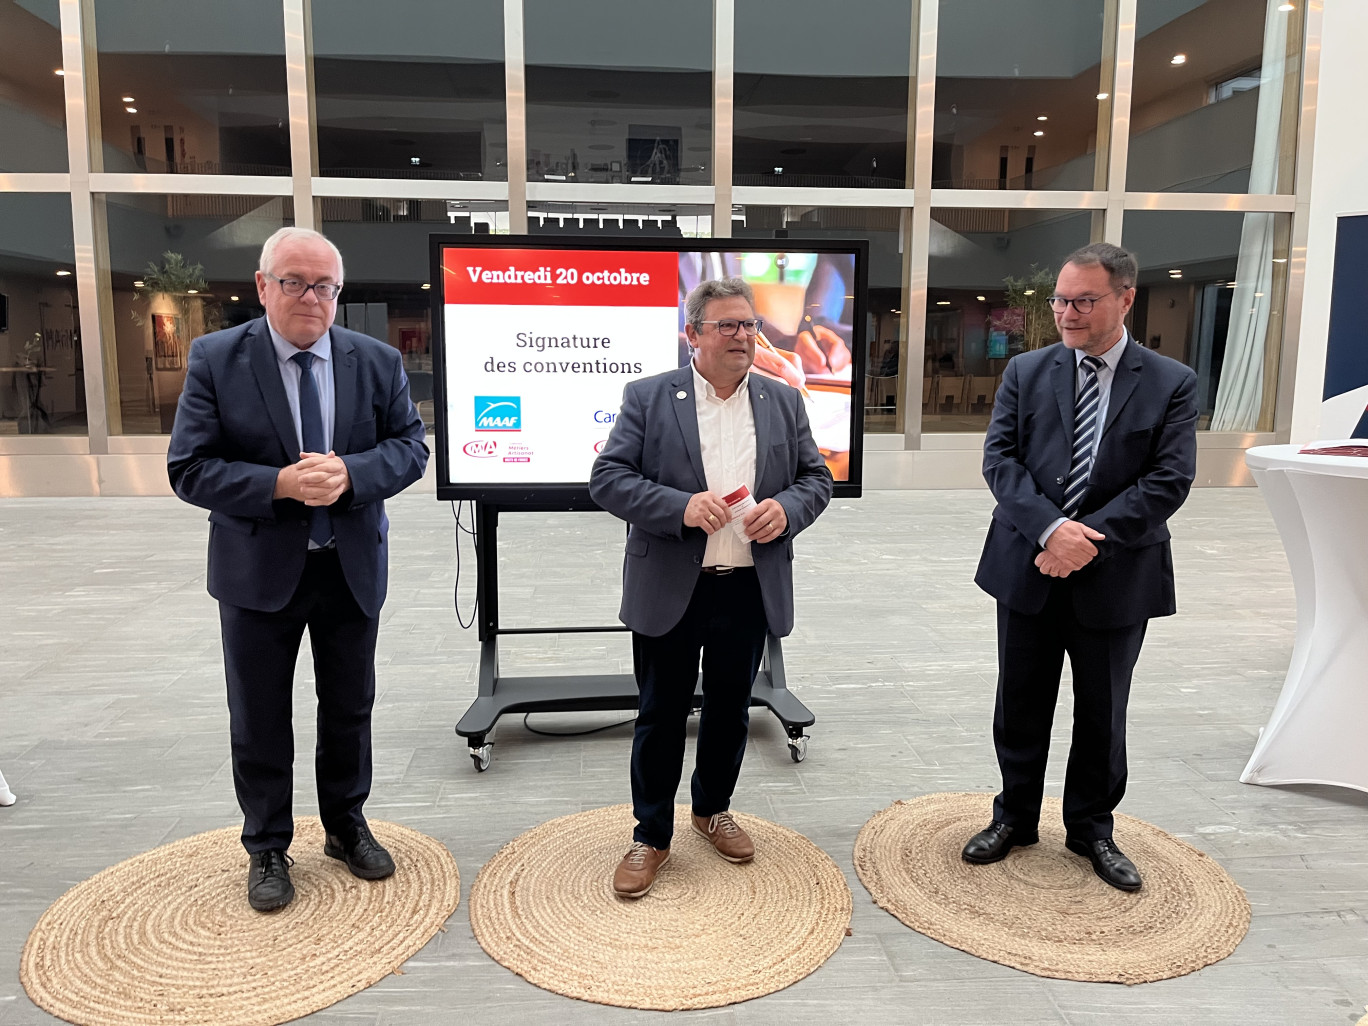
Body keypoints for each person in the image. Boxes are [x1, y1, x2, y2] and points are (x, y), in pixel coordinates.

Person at [168, 227, 428, 912]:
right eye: (293, 282)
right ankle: (267, 847)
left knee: (349, 707)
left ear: (339, 293)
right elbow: (188, 468)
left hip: (349, 567)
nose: (310, 297)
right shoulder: (217, 359)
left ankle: (345, 826)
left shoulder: (374, 361)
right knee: (258, 716)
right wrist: (279, 485)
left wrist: (351, 473)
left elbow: (409, 449)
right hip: (258, 574)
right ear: (262, 286)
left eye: (324, 286)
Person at [963, 242, 1198, 892]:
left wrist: (1083, 539)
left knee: (1102, 711)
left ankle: (1092, 827)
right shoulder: (1026, 372)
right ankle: (1013, 817)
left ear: (1125, 298)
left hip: (1117, 573)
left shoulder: (1171, 383)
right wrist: (1050, 529)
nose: (1067, 312)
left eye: (1082, 301)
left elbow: (1168, 481)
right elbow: (1000, 462)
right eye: (1061, 300)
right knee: (1019, 702)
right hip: (1027, 563)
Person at [590, 276, 833, 898]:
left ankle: (712, 809)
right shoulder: (649, 397)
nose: (742, 336)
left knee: (730, 710)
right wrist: (677, 506)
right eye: (726, 326)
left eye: (748, 325)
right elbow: (608, 478)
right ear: (692, 334)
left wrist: (788, 509)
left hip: (749, 586)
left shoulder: (783, 400)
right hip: (674, 585)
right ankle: (650, 835)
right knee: (660, 714)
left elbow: (815, 478)